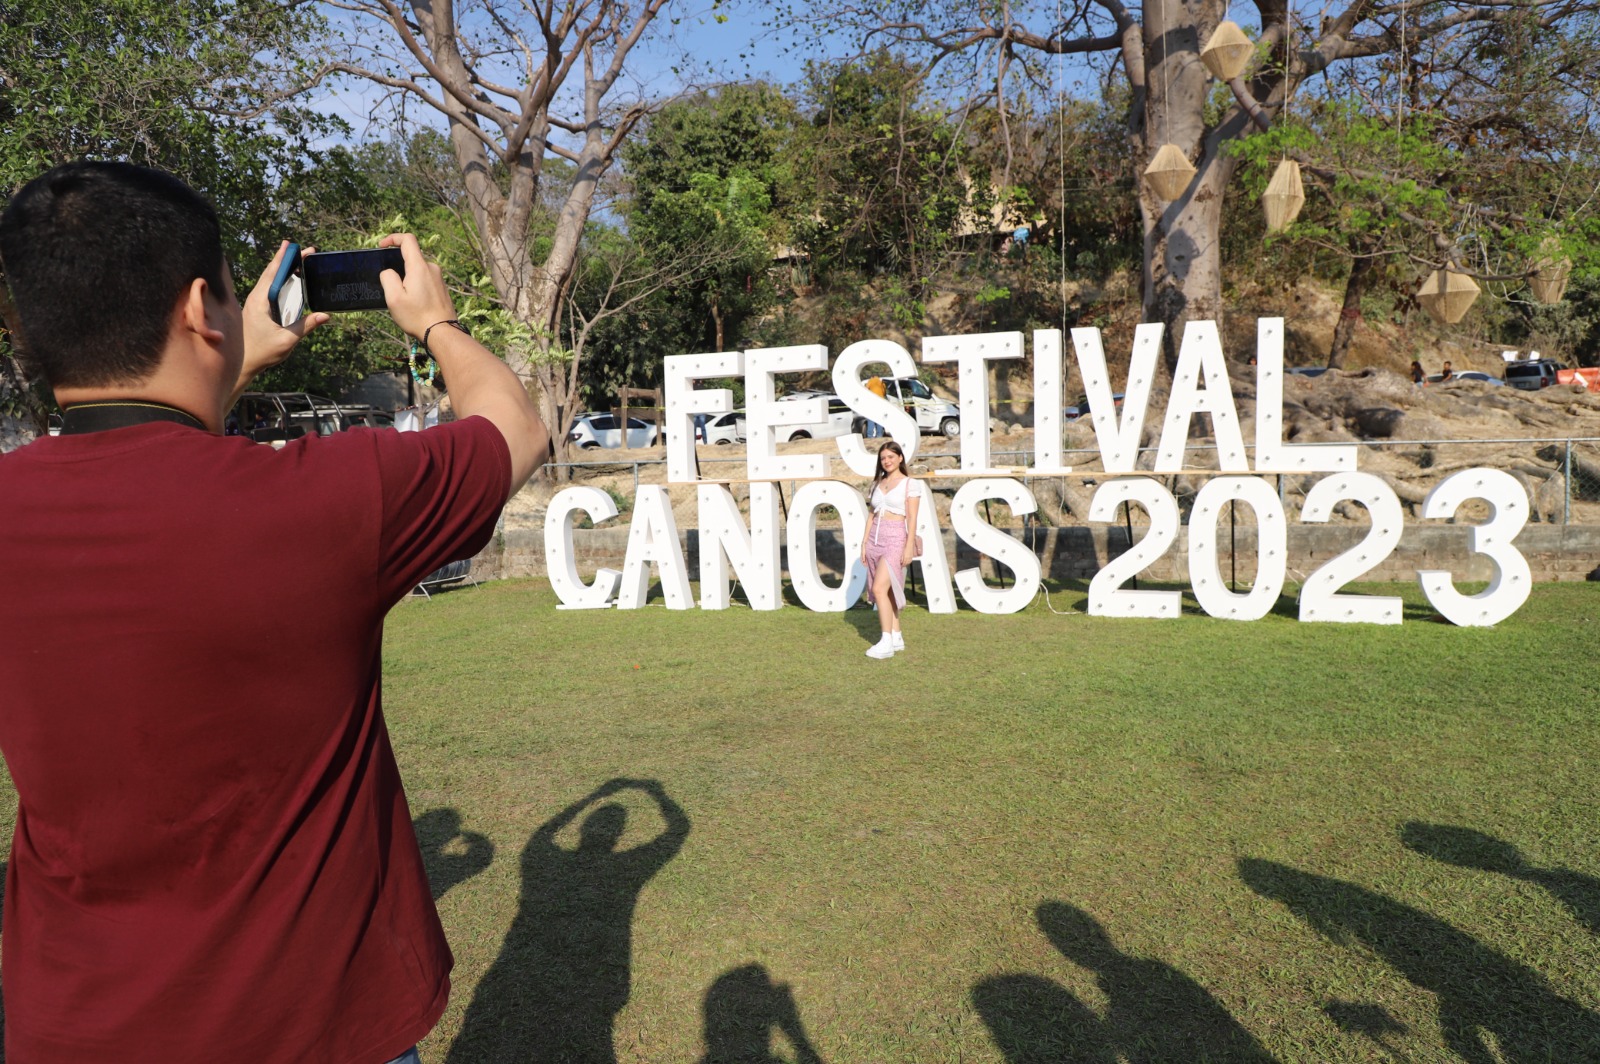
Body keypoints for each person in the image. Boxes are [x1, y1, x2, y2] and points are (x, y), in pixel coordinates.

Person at [0, 162, 548, 1062]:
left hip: (77, 1026)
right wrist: (436, 322)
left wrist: (230, 354)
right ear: (197, 308)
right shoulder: (330, 497)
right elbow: (513, 428)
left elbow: (143, 458)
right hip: (314, 1022)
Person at [858, 440, 922, 659]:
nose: (886, 461)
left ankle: (885, 642)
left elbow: (912, 518)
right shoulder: (877, 483)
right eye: (883, 458)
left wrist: (908, 547)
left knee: (879, 589)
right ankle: (896, 636)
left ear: (900, 458)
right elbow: (871, 515)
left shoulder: (910, 484)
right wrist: (864, 543)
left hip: (896, 538)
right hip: (874, 539)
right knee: (888, 590)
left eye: (891, 457)